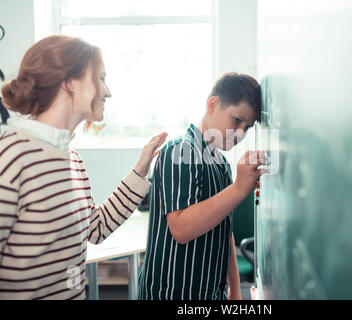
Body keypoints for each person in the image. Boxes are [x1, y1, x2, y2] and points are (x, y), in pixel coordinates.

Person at [0, 35, 167, 299]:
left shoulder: (72, 159)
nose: (108, 91)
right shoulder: (10, 155)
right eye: (100, 78)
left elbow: (96, 228)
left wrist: (140, 171)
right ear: (69, 83)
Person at [138, 72, 266, 300]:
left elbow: (226, 232)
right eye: (236, 120)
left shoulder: (222, 165)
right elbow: (181, 229)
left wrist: (235, 290)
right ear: (213, 105)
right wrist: (238, 188)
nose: (240, 134)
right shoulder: (179, 152)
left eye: (247, 127)